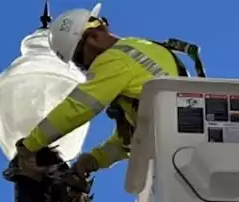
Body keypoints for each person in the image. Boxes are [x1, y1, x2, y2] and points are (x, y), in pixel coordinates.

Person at [13, 4, 198, 181]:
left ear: (93, 39)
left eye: (79, 61)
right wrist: (95, 159)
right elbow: (131, 139)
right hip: (189, 146)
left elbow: (79, 106)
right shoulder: (138, 51)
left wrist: (30, 145)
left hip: (183, 151)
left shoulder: (114, 59)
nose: (86, 69)